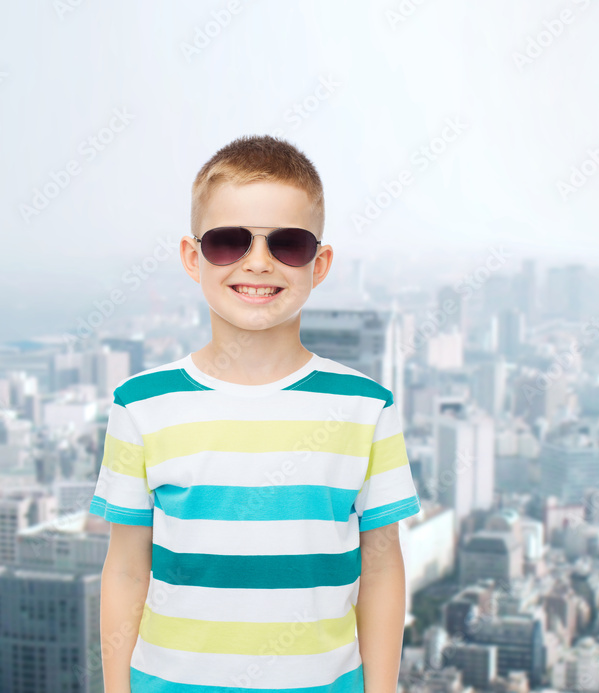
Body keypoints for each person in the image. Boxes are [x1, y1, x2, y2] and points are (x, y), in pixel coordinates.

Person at [90, 134, 422, 693]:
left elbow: (383, 567)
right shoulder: (141, 405)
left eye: (288, 244)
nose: (259, 263)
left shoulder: (367, 407)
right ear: (193, 258)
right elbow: (126, 567)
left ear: (320, 264)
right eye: (228, 242)